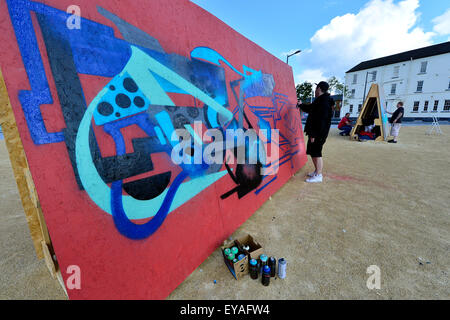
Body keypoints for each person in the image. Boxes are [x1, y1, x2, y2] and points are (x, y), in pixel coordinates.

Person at [297, 81, 334, 183]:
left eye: (316, 88)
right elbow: (311, 109)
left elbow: (320, 121)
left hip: (318, 133)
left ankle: (319, 175)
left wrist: (314, 135)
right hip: (316, 132)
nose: (315, 90)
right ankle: (316, 171)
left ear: (319, 89)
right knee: (313, 152)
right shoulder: (320, 100)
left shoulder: (324, 102)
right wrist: (301, 105)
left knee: (317, 153)